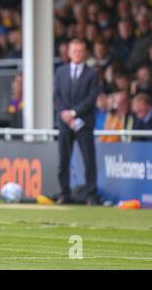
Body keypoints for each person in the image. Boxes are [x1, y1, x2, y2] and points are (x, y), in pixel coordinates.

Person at [53, 39, 99, 206]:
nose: (78, 54)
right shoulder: (61, 72)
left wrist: (74, 113)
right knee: (63, 160)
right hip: (64, 123)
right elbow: (57, 96)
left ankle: (92, 195)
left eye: (81, 51)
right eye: (75, 51)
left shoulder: (92, 73)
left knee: (89, 160)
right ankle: (64, 193)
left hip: (84, 123)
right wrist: (65, 114)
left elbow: (92, 98)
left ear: (85, 53)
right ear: (69, 52)